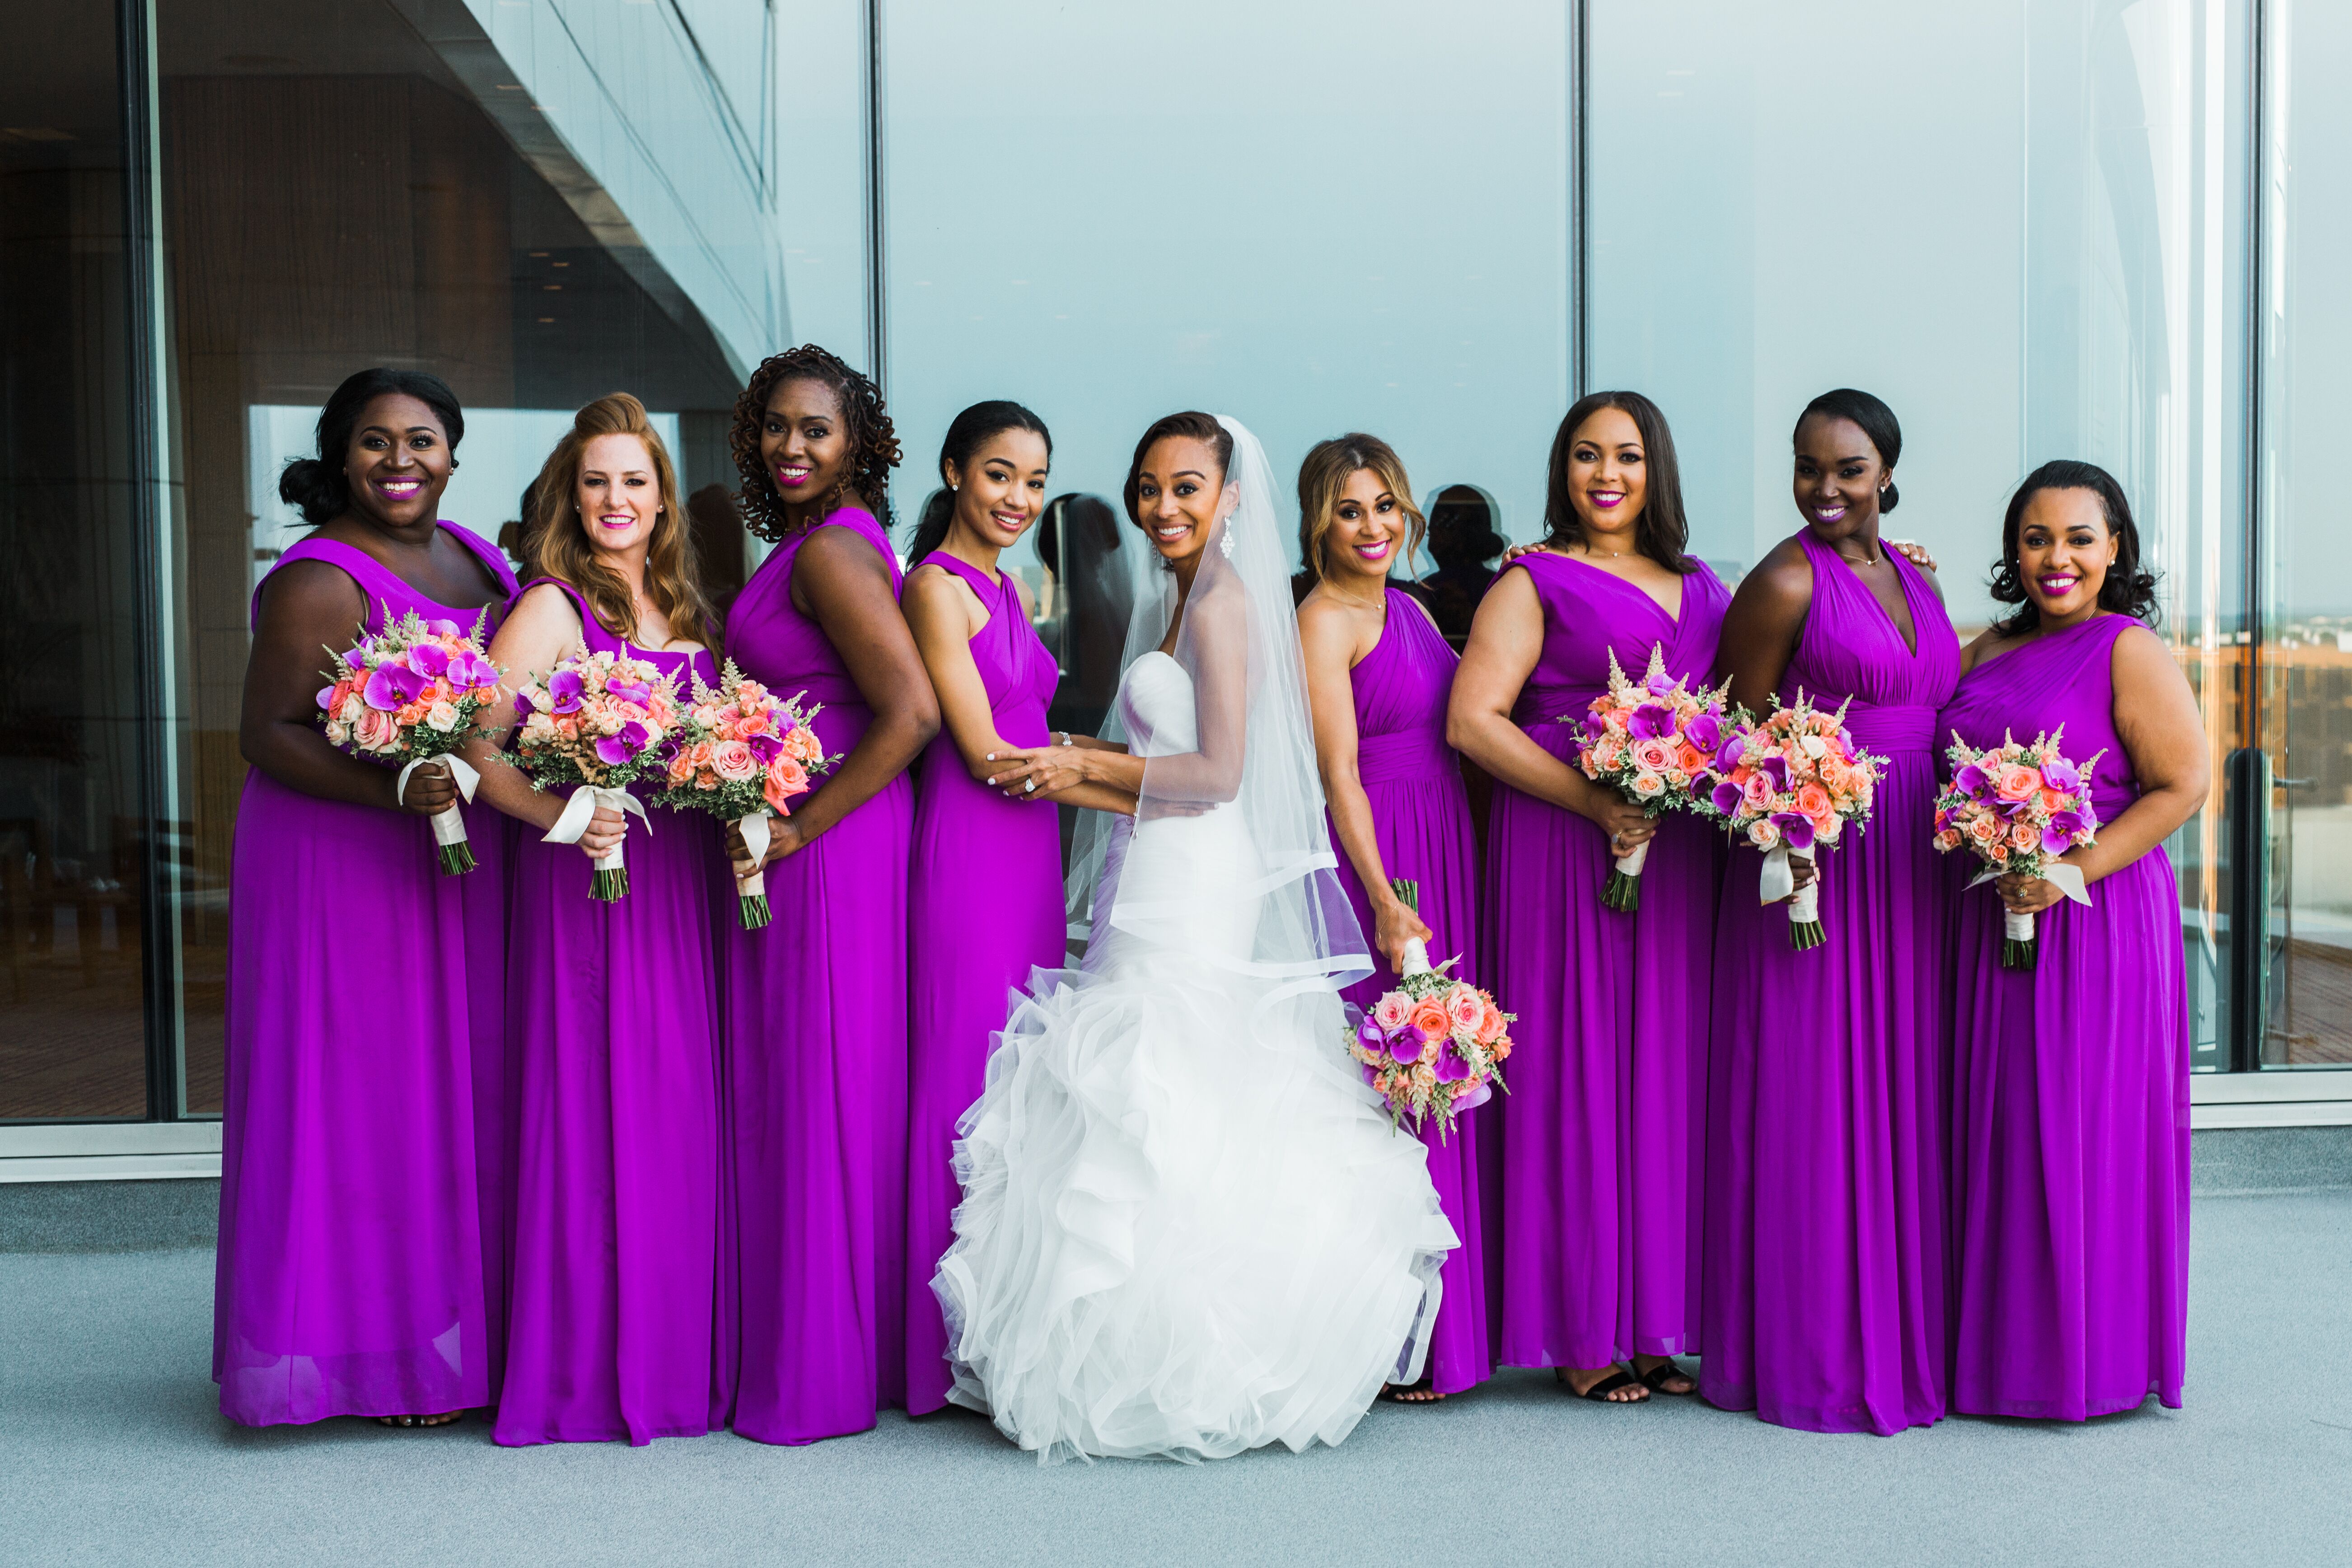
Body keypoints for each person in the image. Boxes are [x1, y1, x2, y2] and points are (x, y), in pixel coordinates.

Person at [934, 412, 1456, 1463]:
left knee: (1173, 1076)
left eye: (1185, 488)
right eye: (1147, 488)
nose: (1163, 507)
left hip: (1195, 871)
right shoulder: (1183, 598)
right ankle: (1130, 1344)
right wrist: (1082, 757)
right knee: (1151, 1083)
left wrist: (1074, 768)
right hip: (1159, 858)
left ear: (1228, 498)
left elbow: (1217, 775)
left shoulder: (1222, 607)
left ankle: (1200, 1350)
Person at [217, 368, 517, 1428]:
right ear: (342, 454)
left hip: (443, 855)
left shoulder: (480, 557)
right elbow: (268, 734)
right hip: (337, 862)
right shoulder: (317, 578)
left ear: (453, 451)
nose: (401, 461)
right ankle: (363, 1356)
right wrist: (395, 782)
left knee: (441, 1093)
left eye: (422, 440)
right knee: (357, 1095)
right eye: (377, 442)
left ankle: (439, 1330)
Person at [1449, 392, 1729, 1404]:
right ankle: (1577, 1323)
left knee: (1661, 1071)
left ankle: (1653, 1319)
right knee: (1574, 1069)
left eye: (1623, 456)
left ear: (1655, 467)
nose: (1603, 474)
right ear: (1560, 470)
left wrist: (1894, 555)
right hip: (1560, 848)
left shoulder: (1703, 586)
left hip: (1676, 856)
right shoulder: (1529, 581)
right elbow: (1471, 721)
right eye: (1582, 456)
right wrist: (1593, 802)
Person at [461, 394, 725, 1445]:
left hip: (681, 890)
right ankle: (581, 1366)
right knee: (592, 1105)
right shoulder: (550, 608)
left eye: (634, 480)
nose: (616, 499)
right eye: (596, 480)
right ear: (572, 497)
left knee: (670, 1110)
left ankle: (669, 1355)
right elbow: (472, 745)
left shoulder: (685, 615)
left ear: (662, 498)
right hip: (591, 890)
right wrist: (565, 812)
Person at [1702, 387, 1959, 1435]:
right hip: (1821, 863)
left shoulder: (1908, 573)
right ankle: (1810, 1351)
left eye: (1846, 469)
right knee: (1817, 1093)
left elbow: (1939, 689)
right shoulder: (1778, 579)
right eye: (1807, 467)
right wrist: (1790, 801)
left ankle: (1905, 1329)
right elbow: (1728, 723)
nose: (1822, 488)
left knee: (1902, 1088)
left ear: (1885, 473)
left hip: (1917, 859)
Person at [1939, 461, 2204, 1420]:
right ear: (2012, 550)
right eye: (2036, 538)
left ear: (2114, 548)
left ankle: (2077, 1361)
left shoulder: (2124, 648)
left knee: (2070, 1128)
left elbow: (2181, 784)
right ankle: (1992, 1356)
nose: (2056, 558)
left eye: (2078, 538)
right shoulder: (1979, 649)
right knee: (1995, 1126)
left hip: (2089, 920)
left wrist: (2059, 873)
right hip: (1985, 920)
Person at [720, 346, 939, 1444]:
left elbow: (909, 713)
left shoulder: (832, 556)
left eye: (816, 427)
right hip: (826, 833)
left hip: (832, 840)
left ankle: (818, 1368)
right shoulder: (816, 545)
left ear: (857, 438)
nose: (792, 446)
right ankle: (830, 1341)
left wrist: (799, 824)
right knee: (822, 1078)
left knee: (821, 1082)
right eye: (776, 427)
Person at [899, 402, 1109, 1415]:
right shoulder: (937, 588)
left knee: (1013, 1073)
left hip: (1028, 847)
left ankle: (995, 1320)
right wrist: (1150, 788)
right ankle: (929, 1338)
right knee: (962, 1068)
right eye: (998, 475)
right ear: (952, 471)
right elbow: (985, 754)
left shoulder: (1005, 584)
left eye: (1033, 481)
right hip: (974, 840)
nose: (1018, 499)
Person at [1294, 432, 1491, 1404]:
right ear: (1316, 523)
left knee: (1442, 1078)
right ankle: (1399, 1337)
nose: (1370, 526)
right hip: (1385, 853)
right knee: (1394, 1087)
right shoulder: (1322, 621)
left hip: (1441, 834)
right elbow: (1335, 773)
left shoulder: (1407, 606)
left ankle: (1443, 1327)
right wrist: (1379, 896)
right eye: (1347, 509)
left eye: (1383, 506)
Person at [1419, 484, 1508, 645]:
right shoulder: (1503, 588)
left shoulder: (1425, 592)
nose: (1429, 542)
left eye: (1432, 531)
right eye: (1430, 533)